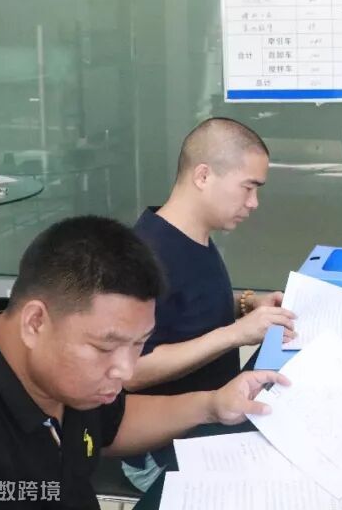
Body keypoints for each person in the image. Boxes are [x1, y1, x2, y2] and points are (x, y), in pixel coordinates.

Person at [0, 216, 286, 510]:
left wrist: (212, 405)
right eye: (105, 347)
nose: (125, 370)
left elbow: (114, 422)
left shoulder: (66, 375)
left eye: (139, 344)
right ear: (35, 322)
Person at [120, 117, 296, 489]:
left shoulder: (192, 235)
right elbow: (132, 372)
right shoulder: (145, 256)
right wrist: (236, 334)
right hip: (163, 447)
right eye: (248, 187)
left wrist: (248, 303)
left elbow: (188, 307)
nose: (253, 203)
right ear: (203, 176)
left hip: (214, 417)